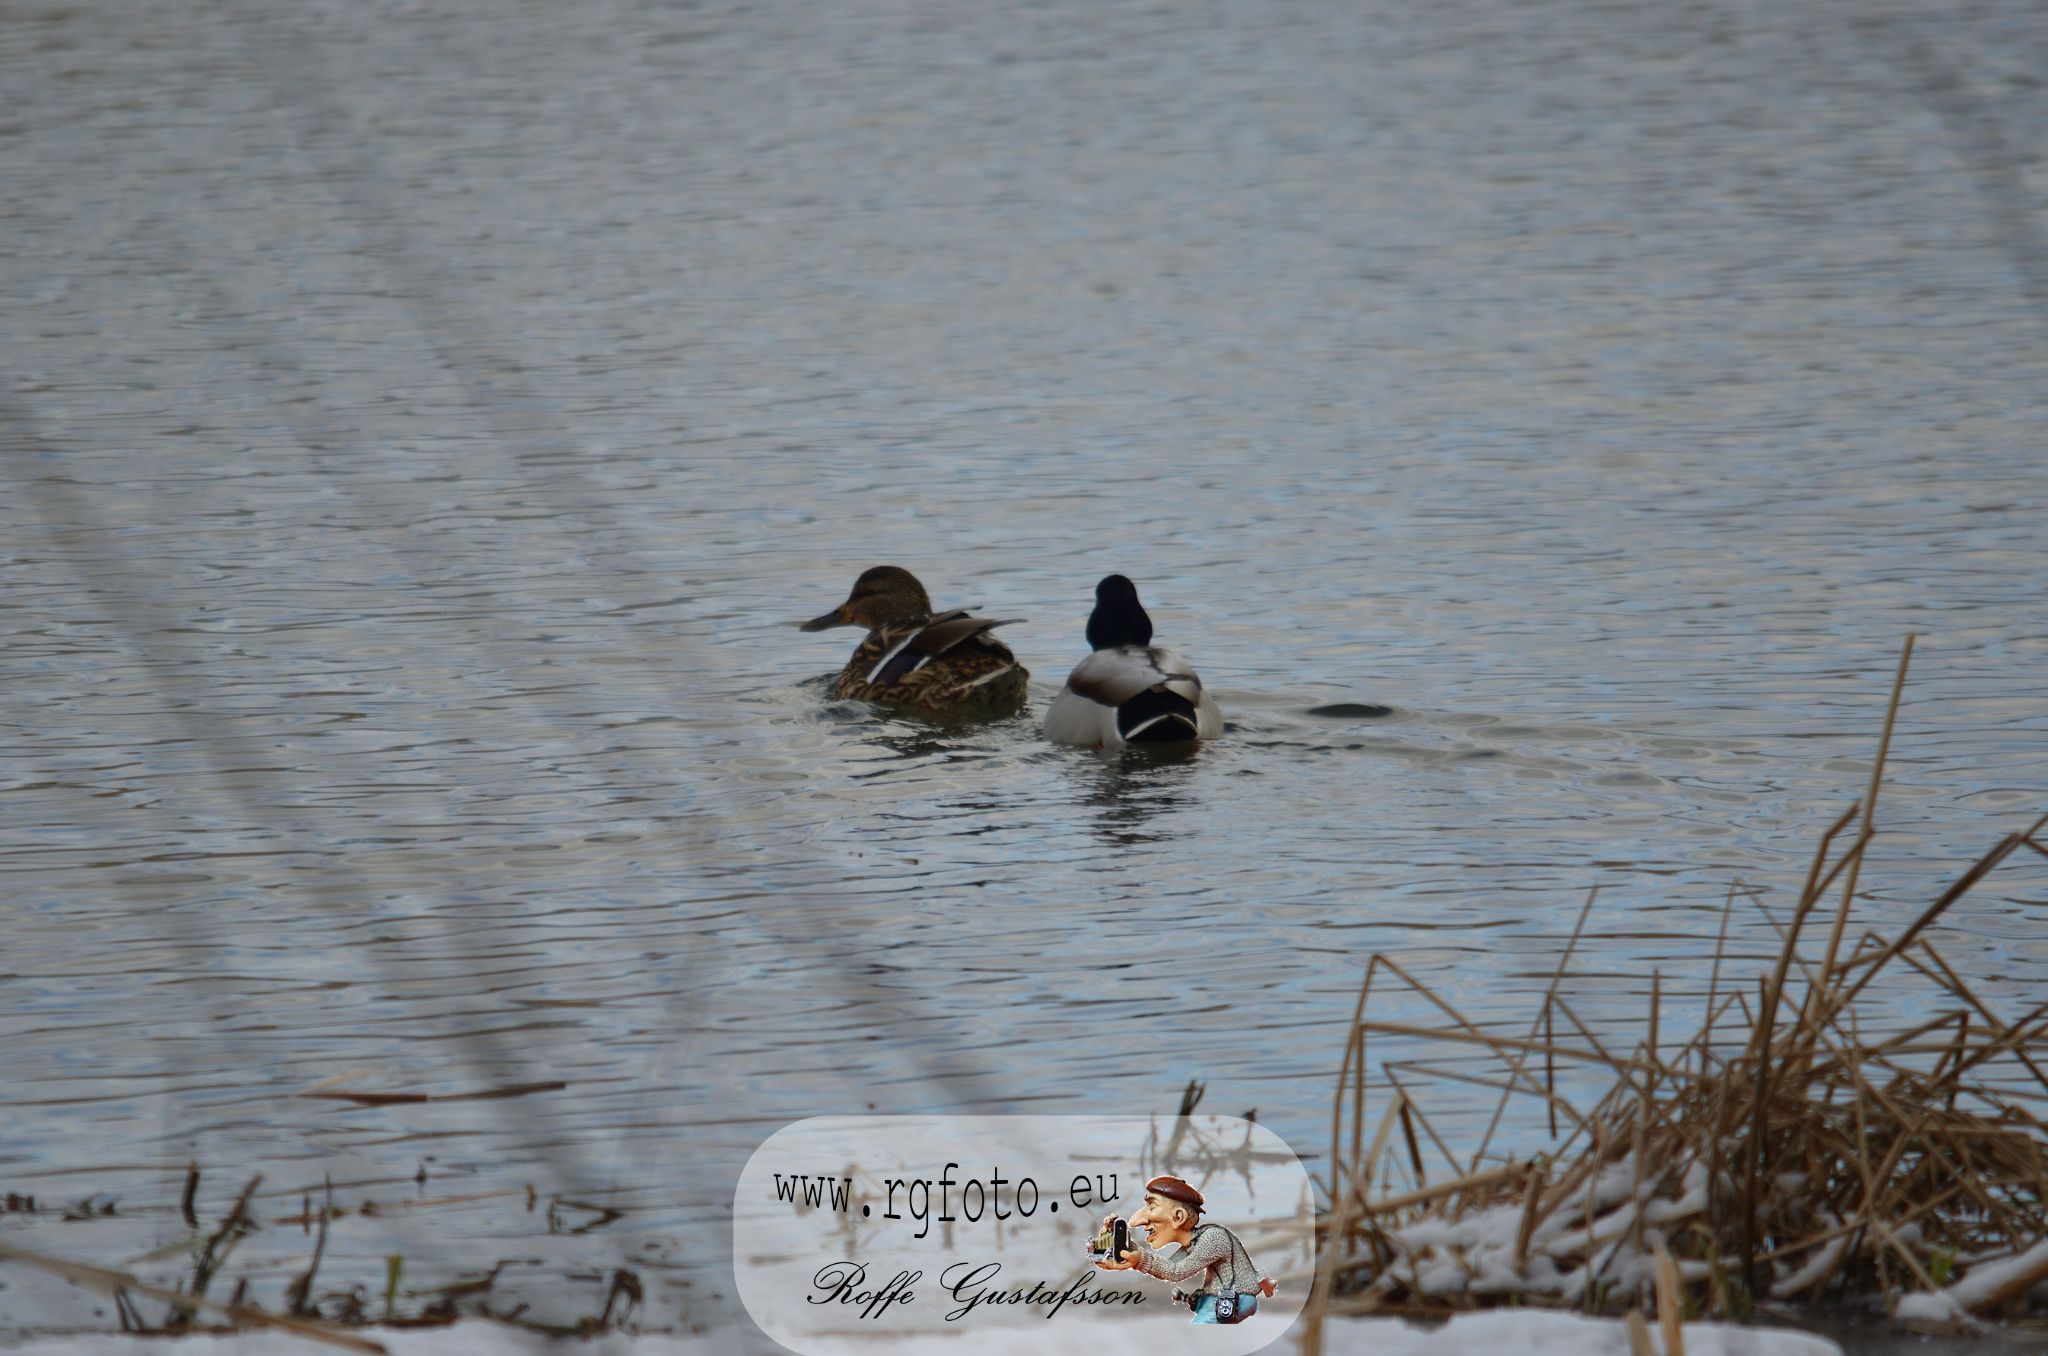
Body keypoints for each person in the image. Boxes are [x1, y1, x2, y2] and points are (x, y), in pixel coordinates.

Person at [1093, 1175, 1276, 1324]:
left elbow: (1175, 1272)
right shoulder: (1197, 1240)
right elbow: (1168, 1265)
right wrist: (1126, 1244)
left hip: (1237, 1299)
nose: (1137, 1221)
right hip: (1219, 1298)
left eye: (1152, 1206)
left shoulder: (1213, 1238)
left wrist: (1139, 1260)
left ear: (1178, 1216)